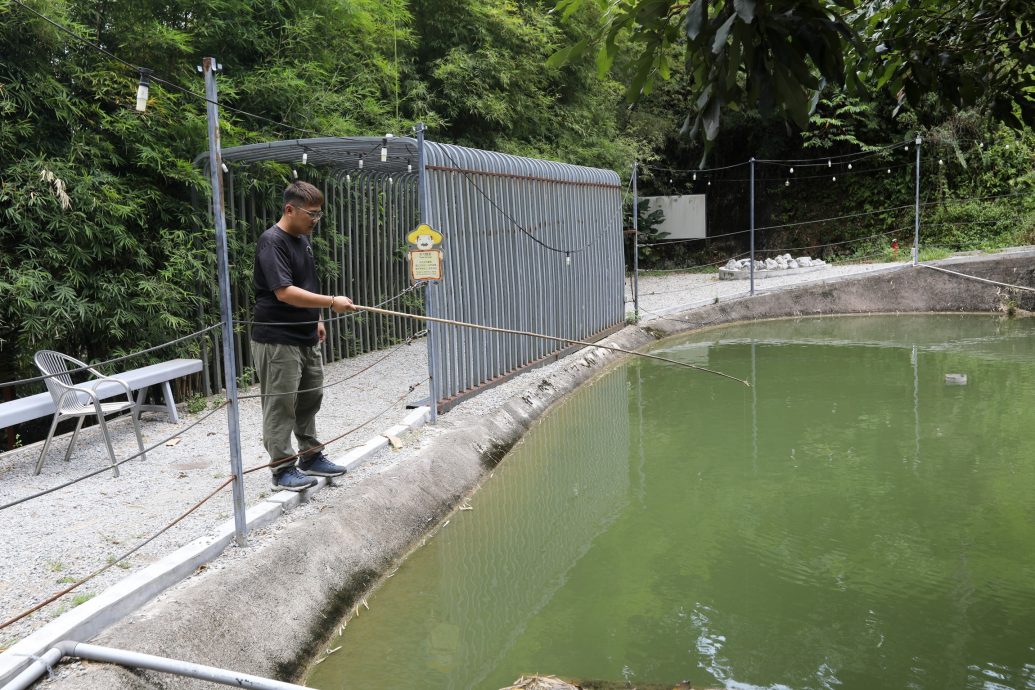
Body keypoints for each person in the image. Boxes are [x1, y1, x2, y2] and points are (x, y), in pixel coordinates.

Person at [251, 180, 355, 491]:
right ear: (289, 209)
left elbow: (306, 283)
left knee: (311, 397)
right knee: (281, 403)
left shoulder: (302, 240)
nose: (316, 220)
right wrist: (332, 302)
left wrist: (318, 318)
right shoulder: (272, 242)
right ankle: (282, 469)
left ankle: (310, 456)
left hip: (305, 334)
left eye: (319, 214)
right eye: (312, 214)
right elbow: (284, 291)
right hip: (277, 338)